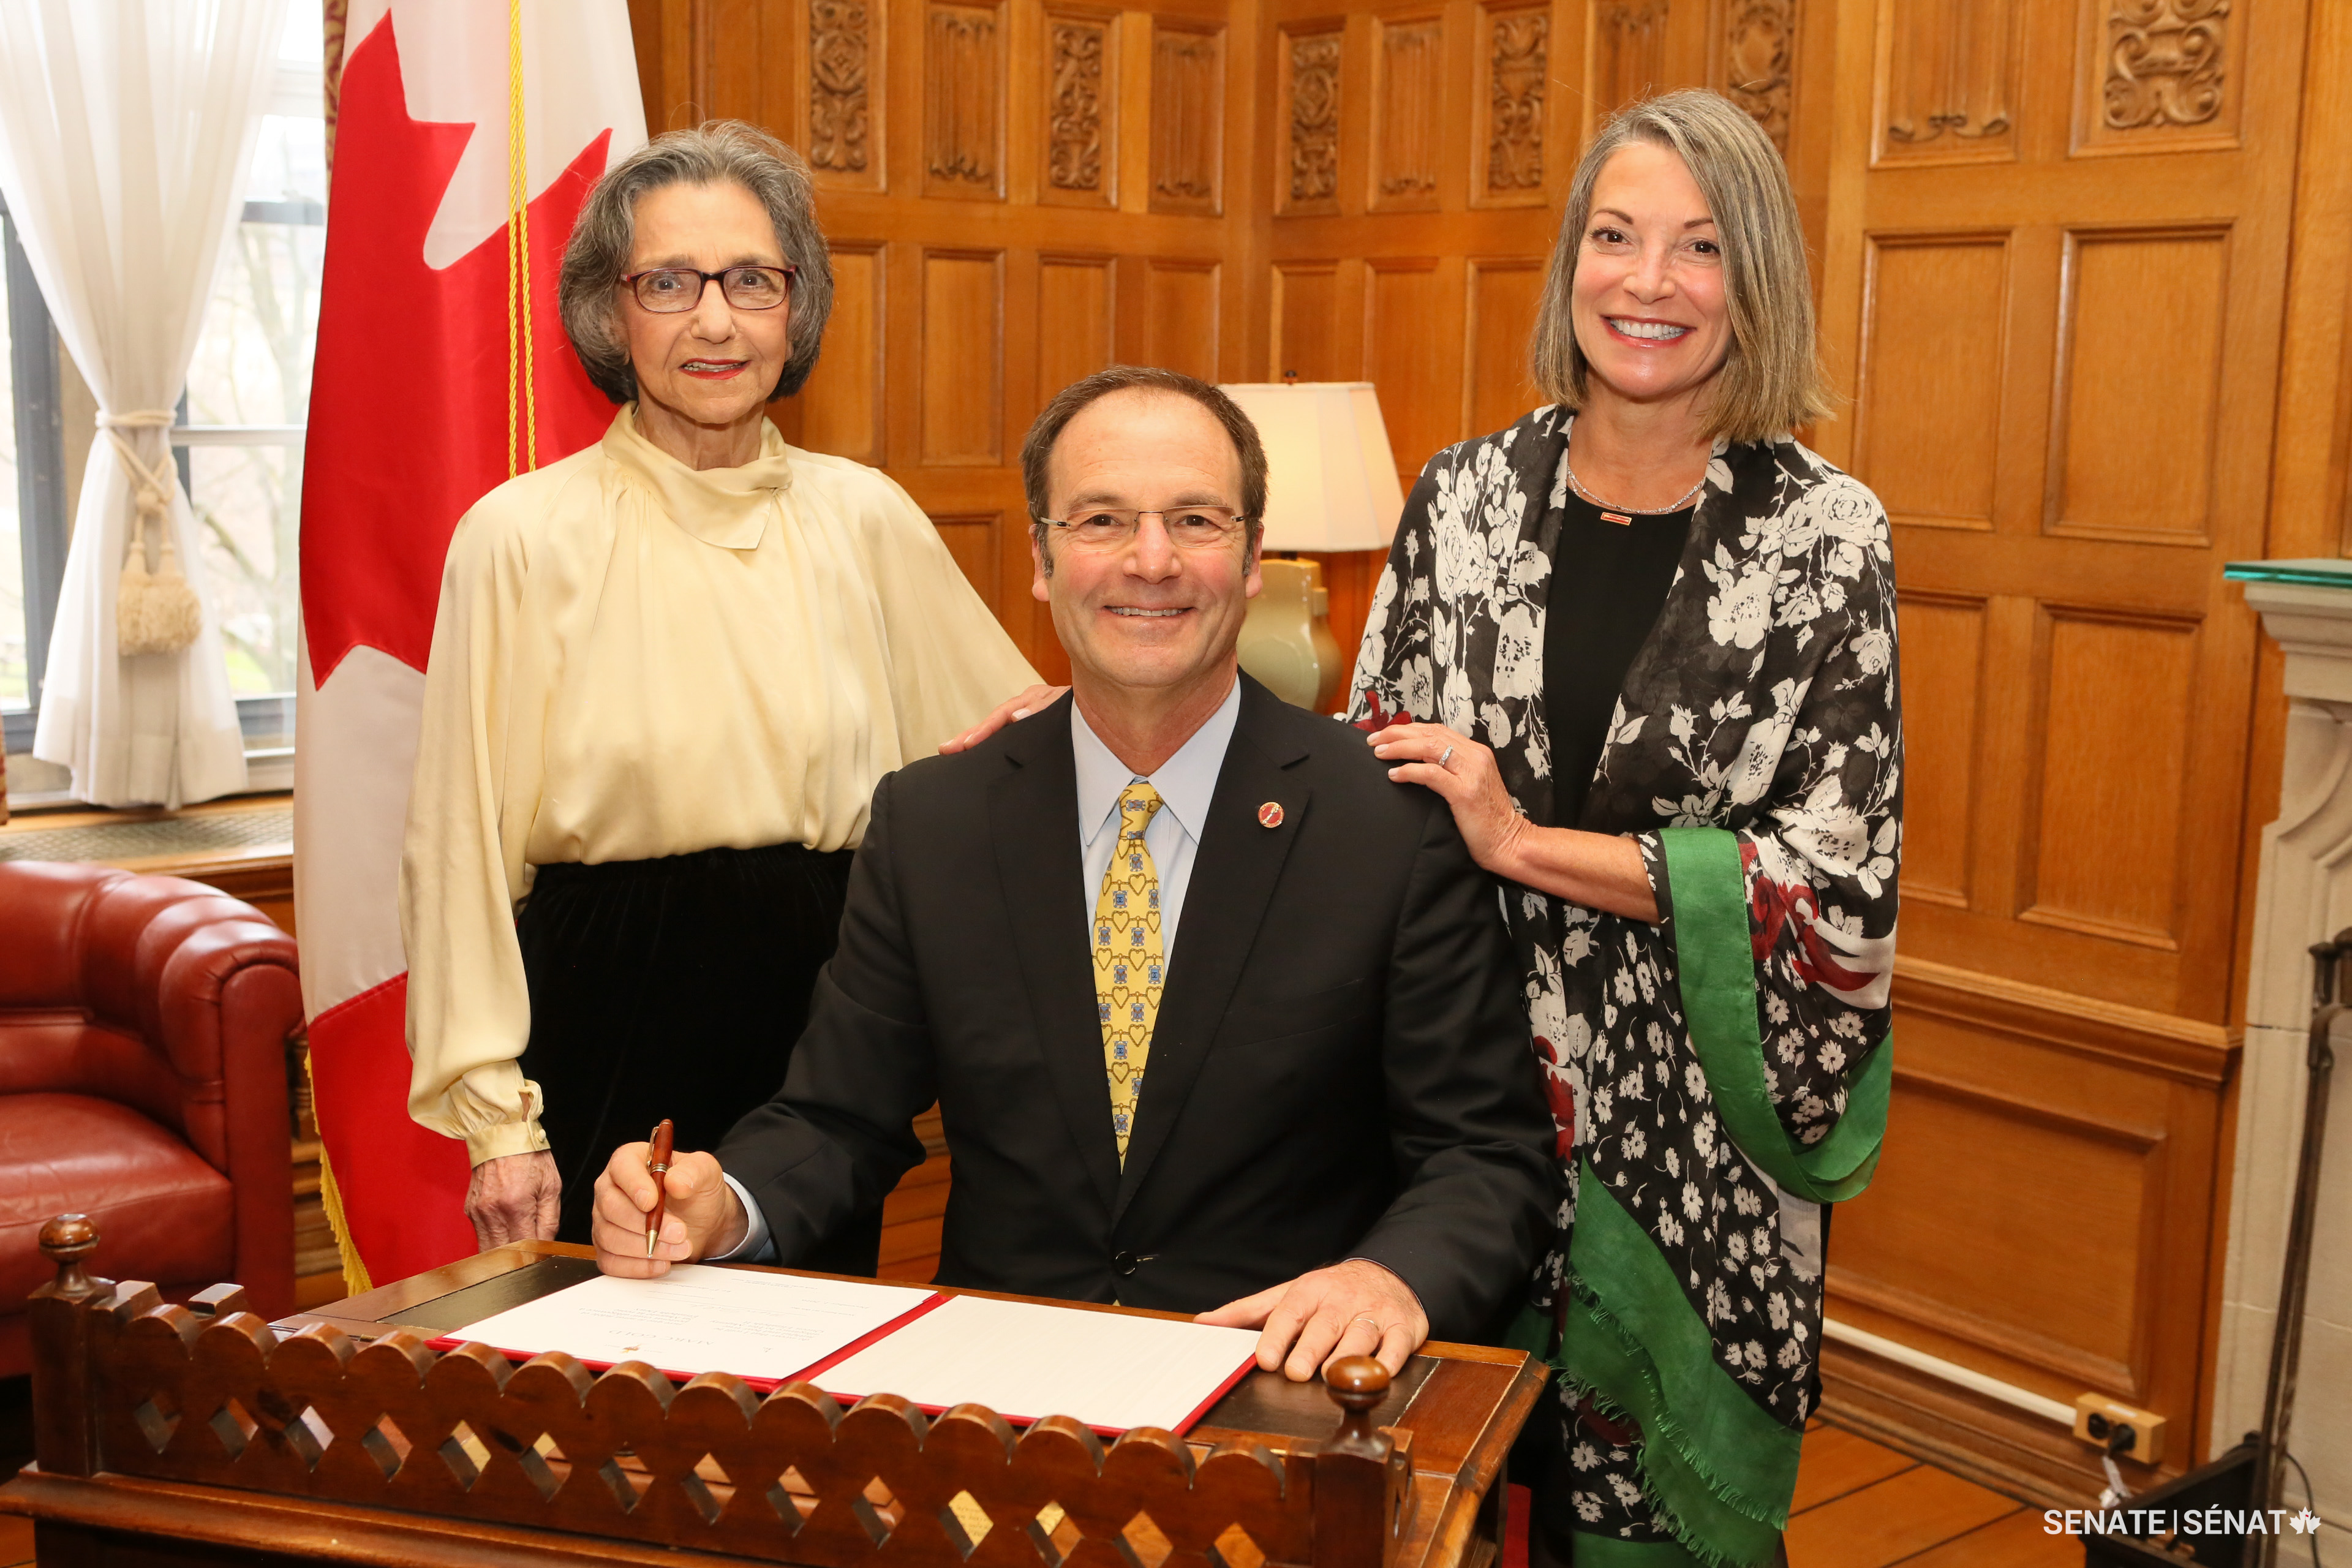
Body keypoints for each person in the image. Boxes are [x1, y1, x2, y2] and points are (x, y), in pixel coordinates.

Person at [587, 366, 1558, 1378]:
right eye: (1101, 521)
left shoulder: (1387, 823)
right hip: (999, 1411)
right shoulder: (935, 822)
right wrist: (721, 1202)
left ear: (1253, 556)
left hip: (1285, 1394)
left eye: (1195, 520)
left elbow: (1486, 1156)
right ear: (1043, 560)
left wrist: (1389, 1278)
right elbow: (838, 1119)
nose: (1151, 561)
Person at [1351, 90, 1901, 1567]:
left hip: (1700, 1131)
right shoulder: (1460, 498)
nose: (1647, 283)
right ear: (1571, 262)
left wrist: (1520, 840)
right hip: (1453, 1094)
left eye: (1699, 246)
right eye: (1615, 235)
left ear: (1757, 281)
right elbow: (1366, 771)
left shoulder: (1826, 535)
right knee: (1439, 1498)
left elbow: (1839, 886)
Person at [399, 121, 1050, 1262]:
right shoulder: (517, 537)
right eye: (670, 283)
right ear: (609, 312)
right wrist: (495, 1119)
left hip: (832, 1022)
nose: (715, 320)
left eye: (752, 280)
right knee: (621, 1395)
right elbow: (457, 847)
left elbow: (1008, 756)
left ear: (795, 310)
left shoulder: (867, 517)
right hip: (608, 1006)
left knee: (812, 1390)